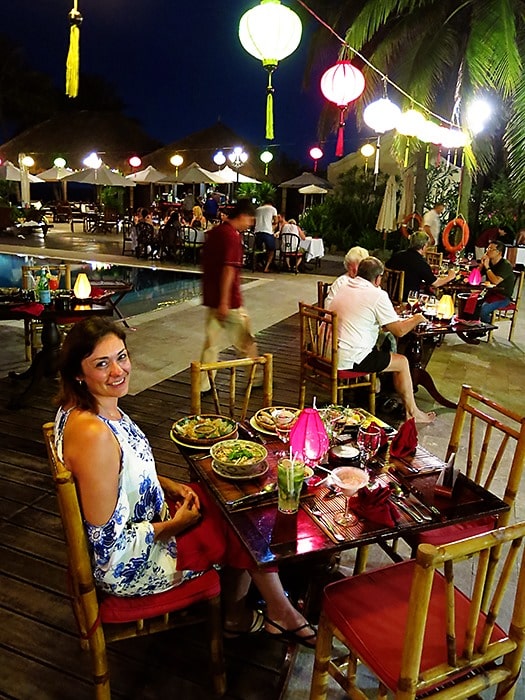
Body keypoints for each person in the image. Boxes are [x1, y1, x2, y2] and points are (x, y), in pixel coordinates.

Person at [54, 317, 316, 645]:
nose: (118, 371)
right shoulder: (95, 436)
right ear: (78, 373)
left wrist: (165, 483)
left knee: (231, 502)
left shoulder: (80, 409)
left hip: (149, 518)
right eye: (101, 364)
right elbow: (110, 547)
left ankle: (258, 611)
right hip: (133, 566)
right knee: (243, 526)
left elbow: (119, 474)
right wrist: (177, 526)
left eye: (121, 357)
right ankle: (271, 614)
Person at [327, 257, 436, 424]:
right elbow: (399, 331)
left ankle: (402, 404)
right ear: (378, 278)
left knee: (384, 350)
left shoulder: (344, 286)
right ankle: (412, 412)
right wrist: (417, 318)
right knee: (402, 362)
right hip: (349, 359)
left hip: (327, 352)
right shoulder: (377, 294)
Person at [200, 199, 259, 392]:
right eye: (250, 220)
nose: (250, 224)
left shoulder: (216, 232)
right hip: (228, 301)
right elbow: (228, 270)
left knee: (211, 343)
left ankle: (203, 384)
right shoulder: (232, 237)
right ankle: (256, 377)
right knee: (245, 340)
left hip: (213, 298)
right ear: (242, 216)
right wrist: (225, 301)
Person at [387, 231, 456, 300]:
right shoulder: (421, 262)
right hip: (410, 298)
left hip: (390, 296)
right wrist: (450, 277)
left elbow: (386, 267)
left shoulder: (397, 255)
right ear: (424, 246)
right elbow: (435, 283)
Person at [478, 241, 515, 323]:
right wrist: (481, 265)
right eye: (487, 248)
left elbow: (495, 281)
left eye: (491, 249)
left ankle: (487, 326)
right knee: (470, 302)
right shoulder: (489, 262)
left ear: (499, 252)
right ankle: (473, 327)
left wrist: (487, 267)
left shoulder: (505, 265)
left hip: (503, 296)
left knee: (483, 309)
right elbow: (475, 277)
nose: (487, 250)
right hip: (489, 293)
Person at [254, 199, 278, 273]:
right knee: (271, 250)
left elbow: (254, 221)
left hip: (257, 231)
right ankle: (266, 267)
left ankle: (257, 265)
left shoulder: (257, 209)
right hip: (267, 231)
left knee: (258, 249)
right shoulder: (273, 209)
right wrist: (273, 225)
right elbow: (276, 221)